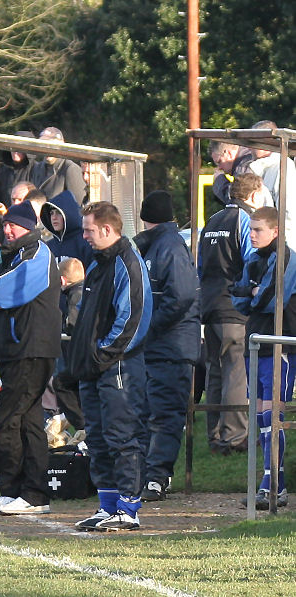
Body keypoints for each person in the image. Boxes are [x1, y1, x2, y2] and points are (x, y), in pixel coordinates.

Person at [68, 201, 152, 531]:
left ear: (107, 229)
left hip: (118, 367)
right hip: (94, 368)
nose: (84, 235)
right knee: (98, 439)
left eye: (89, 229)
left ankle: (129, 508)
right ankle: (107, 506)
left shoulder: (126, 262)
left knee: (122, 436)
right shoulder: (96, 264)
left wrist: (104, 354)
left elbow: (134, 316)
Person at [0, 200, 62, 516]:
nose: (8, 229)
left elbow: (1, 292)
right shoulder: (12, 256)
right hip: (15, 349)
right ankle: (25, 493)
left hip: (32, 348)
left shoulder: (38, 254)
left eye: (14, 224)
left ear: (30, 227)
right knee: (28, 420)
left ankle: (24, 492)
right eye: (6, 225)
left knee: (6, 419)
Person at [134, 191, 200, 501]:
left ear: (146, 217)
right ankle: (151, 474)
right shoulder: (159, 245)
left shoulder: (169, 247)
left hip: (171, 348)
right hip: (160, 347)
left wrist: (150, 324)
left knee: (164, 413)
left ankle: (157, 476)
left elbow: (182, 296)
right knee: (151, 410)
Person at [231, 207, 296, 509]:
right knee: (259, 418)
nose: (252, 235)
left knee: (273, 417)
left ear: (275, 231)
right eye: (251, 229)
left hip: (278, 344)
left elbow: (270, 299)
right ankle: (276, 486)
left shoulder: (286, 257)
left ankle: (269, 486)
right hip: (254, 342)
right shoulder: (252, 259)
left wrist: (253, 292)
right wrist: (251, 290)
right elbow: (238, 298)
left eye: (258, 229)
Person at [198, 173, 267, 454]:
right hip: (233, 307)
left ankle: (215, 436)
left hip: (209, 305)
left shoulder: (212, 221)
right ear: (252, 196)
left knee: (215, 371)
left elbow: (200, 265)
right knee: (236, 370)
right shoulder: (245, 221)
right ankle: (235, 436)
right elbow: (251, 260)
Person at [51, 258, 86, 437]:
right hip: (86, 356)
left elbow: (72, 323)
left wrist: (61, 327)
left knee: (61, 383)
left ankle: (82, 426)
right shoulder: (86, 289)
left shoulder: (75, 296)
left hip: (81, 356)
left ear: (63, 281)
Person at [249, 120, 296, 251]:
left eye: (253, 143)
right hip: (268, 245)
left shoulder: (282, 167)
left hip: (280, 247)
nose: (249, 148)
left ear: (265, 143)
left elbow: (288, 211)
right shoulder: (266, 168)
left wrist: (283, 249)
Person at [0, 131, 37, 224]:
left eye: (19, 148)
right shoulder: (4, 172)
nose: (15, 151)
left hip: (28, 224)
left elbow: (37, 201)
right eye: (12, 147)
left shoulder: (36, 170)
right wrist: (1, 216)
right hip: (5, 225)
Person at [32, 127, 86, 205]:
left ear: (61, 147)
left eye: (51, 145)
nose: (47, 149)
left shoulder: (70, 169)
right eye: (43, 145)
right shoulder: (37, 168)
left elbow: (78, 205)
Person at [40, 190, 93, 268]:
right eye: (51, 213)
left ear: (68, 214)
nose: (54, 217)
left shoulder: (85, 242)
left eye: (58, 213)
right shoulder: (49, 246)